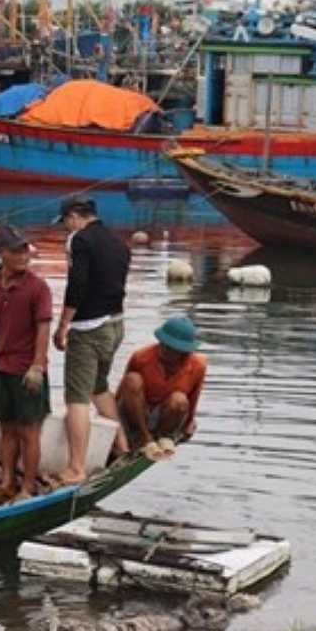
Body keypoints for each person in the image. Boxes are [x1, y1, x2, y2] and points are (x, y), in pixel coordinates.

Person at [0, 226, 52, 504]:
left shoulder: (37, 287)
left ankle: (27, 488)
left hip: (28, 370)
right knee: (7, 428)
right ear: (1, 253)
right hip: (3, 367)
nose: (23, 256)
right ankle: (7, 483)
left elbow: (43, 328)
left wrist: (37, 366)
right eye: (16, 251)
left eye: (25, 250)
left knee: (29, 431)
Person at [52, 196, 131, 484]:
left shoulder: (80, 239)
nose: (66, 228)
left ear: (74, 216)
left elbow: (77, 285)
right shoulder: (119, 241)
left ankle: (76, 467)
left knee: (77, 398)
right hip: (116, 323)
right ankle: (122, 446)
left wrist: (63, 326)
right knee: (99, 386)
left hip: (88, 328)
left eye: (65, 222)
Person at [117, 316, 206, 460]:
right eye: (163, 345)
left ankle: (162, 436)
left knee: (179, 400)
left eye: (172, 348)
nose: (165, 350)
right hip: (138, 412)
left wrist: (189, 422)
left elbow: (193, 397)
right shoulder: (141, 357)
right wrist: (115, 422)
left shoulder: (198, 365)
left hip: (165, 415)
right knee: (132, 380)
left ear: (182, 351)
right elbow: (123, 391)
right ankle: (144, 438)